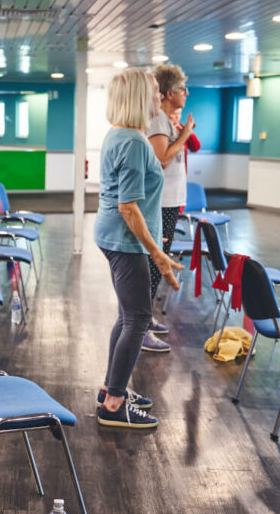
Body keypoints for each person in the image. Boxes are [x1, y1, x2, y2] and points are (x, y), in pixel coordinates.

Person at [93, 68, 183, 429]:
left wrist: (152, 235)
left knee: (128, 316)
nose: (157, 100)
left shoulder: (123, 134)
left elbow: (135, 204)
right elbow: (127, 207)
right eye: (152, 94)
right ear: (137, 98)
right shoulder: (132, 141)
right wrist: (158, 255)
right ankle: (114, 404)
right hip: (124, 238)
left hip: (121, 235)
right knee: (138, 318)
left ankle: (110, 389)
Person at [144, 63, 197, 353]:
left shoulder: (166, 121)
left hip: (170, 201)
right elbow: (162, 159)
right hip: (161, 201)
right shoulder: (158, 121)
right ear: (167, 93)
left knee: (157, 264)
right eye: (180, 89)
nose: (185, 93)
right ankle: (140, 327)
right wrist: (185, 134)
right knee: (155, 264)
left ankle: (145, 318)